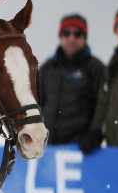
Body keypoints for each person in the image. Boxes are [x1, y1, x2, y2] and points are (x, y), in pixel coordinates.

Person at [38, 14, 104, 146]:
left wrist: (93, 134)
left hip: (80, 148)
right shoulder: (47, 68)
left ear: (84, 37)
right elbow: (36, 103)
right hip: (47, 147)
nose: (71, 38)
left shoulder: (96, 68)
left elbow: (101, 106)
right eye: (66, 33)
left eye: (77, 34)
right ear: (60, 36)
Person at [80, 6, 118, 153]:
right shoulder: (114, 64)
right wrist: (95, 131)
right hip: (115, 150)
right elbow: (103, 102)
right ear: (116, 30)